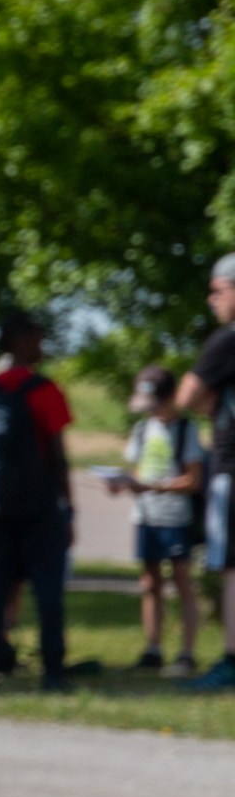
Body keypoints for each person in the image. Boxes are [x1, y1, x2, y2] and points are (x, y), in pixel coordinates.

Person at [0, 312, 75, 690]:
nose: (42, 347)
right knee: (47, 591)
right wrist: (68, 506)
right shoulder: (43, 390)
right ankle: (53, 670)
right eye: (38, 340)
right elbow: (57, 455)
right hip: (38, 508)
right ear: (22, 342)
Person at [110, 366, 205, 677]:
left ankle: (187, 652)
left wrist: (152, 486)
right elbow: (138, 471)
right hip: (146, 516)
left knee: (182, 581)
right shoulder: (142, 429)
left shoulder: (186, 430)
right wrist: (124, 483)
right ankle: (153, 648)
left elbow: (193, 480)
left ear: (169, 398)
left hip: (175, 518)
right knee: (150, 582)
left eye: (155, 403)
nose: (150, 409)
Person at [176, 252, 235, 691]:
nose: (211, 300)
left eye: (217, 291)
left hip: (232, 468)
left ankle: (232, 660)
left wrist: (208, 404)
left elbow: (186, 396)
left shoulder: (227, 339)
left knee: (232, 567)